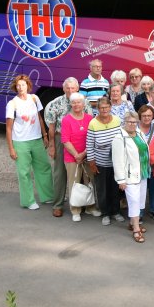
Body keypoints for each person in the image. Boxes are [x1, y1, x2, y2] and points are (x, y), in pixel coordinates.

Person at [5, 74, 52, 210]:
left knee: (44, 168)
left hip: (36, 139)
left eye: (23, 85)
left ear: (28, 86)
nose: (21, 88)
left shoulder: (34, 98)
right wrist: (11, 148)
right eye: (18, 85)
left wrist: (44, 135)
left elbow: (40, 118)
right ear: (15, 87)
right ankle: (28, 201)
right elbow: (8, 128)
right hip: (20, 142)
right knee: (24, 173)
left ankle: (48, 196)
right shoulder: (12, 104)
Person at [60, 92, 99, 221]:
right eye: (74, 102)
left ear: (83, 104)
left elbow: (93, 138)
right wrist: (77, 155)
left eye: (79, 102)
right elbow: (65, 140)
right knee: (74, 183)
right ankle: (75, 210)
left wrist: (83, 154)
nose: (76, 105)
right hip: (72, 157)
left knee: (90, 182)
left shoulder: (90, 118)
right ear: (71, 104)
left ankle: (90, 207)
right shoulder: (66, 120)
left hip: (88, 155)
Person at [112, 111, 151, 243]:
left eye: (135, 122)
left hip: (143, 173)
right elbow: (117, 161)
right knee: (134, 201)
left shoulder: (139, 133)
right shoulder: (119, 138)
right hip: (129, 176)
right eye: (129, 122)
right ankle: (136, 229)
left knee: (140, 201)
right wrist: (121, 180)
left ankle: (132, 223)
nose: (132, 124)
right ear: (124, 122)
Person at [44, 77, 79, 217]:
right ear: (64, 88)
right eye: (68, 88)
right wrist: (52, 146)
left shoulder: (84, 102)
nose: (70, 90)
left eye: (73, 88)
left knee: (78, 173)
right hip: (60, 139)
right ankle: (58, 205)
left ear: (77, 88)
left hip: (78, 140)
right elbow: (51, 128)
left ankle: (78, 204)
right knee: (59, 173)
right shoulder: (56, 103)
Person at [86, 95, 123, 225]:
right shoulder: (93, 123)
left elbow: (123, 138)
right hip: (100, 163)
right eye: (101, 108)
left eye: (106, 107)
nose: (104, 110)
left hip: (116, 163)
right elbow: (89, 144)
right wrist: (91, 162)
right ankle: (105, 213)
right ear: (98, 108)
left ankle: (116, 211)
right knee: (102, 190)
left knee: (115, 188)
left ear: (110, 107)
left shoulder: (117, 120)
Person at [136, 103, 154, 220]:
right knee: (139, 189)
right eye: (144, 115)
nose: (147, 118)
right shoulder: (134, 127)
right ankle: (139, 212)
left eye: (149, 115)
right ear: (140, 116)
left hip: (153, 162)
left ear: (153, 116)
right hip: (138, 163)